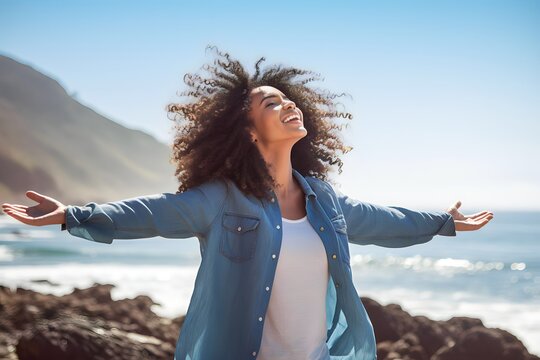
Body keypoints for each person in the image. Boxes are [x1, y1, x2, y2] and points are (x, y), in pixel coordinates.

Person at [1, 45, 493, 360]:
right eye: (272, 104)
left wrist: (443, 223)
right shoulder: (220, 201)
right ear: (248, 132)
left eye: (289, 99)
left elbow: (384, 221)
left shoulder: (325, 201)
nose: (289, 105)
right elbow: (151, 212)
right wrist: (73, 215)